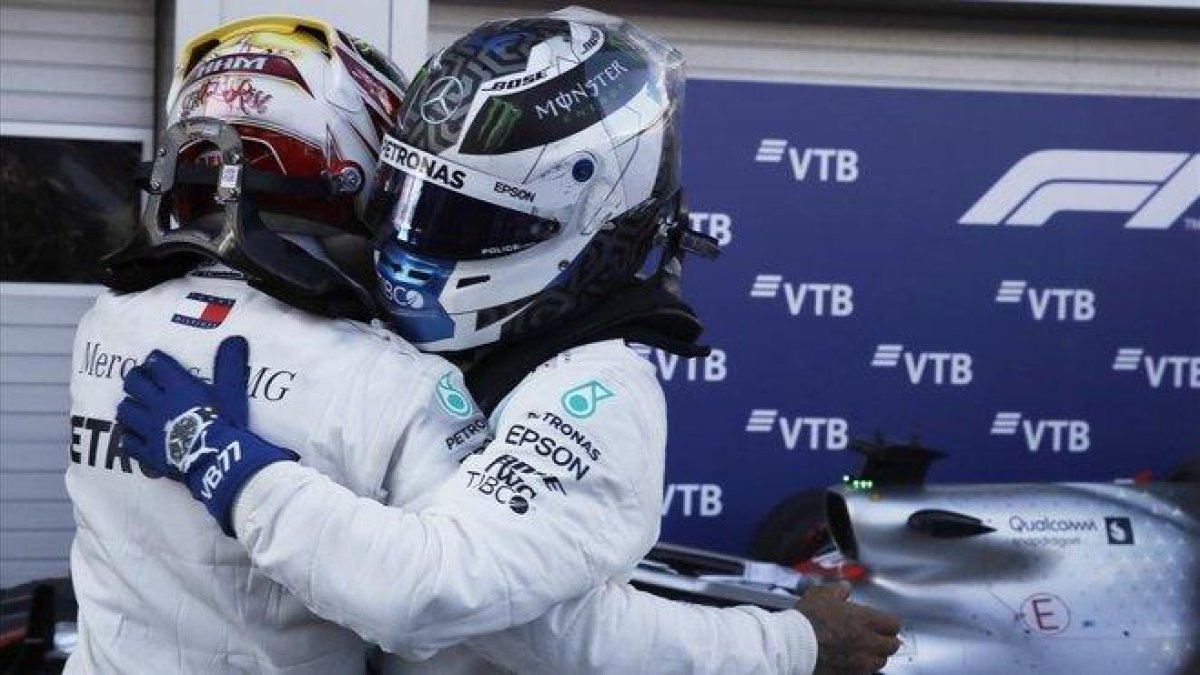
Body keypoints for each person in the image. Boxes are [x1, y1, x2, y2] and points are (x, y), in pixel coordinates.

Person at [112, 8, 901, 675]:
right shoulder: (414, 332)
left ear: (583, 224)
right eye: (407, 203)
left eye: (468, 223)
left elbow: (466, 606)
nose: (414, 244)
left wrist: (791, 643)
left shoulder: (596, 393)